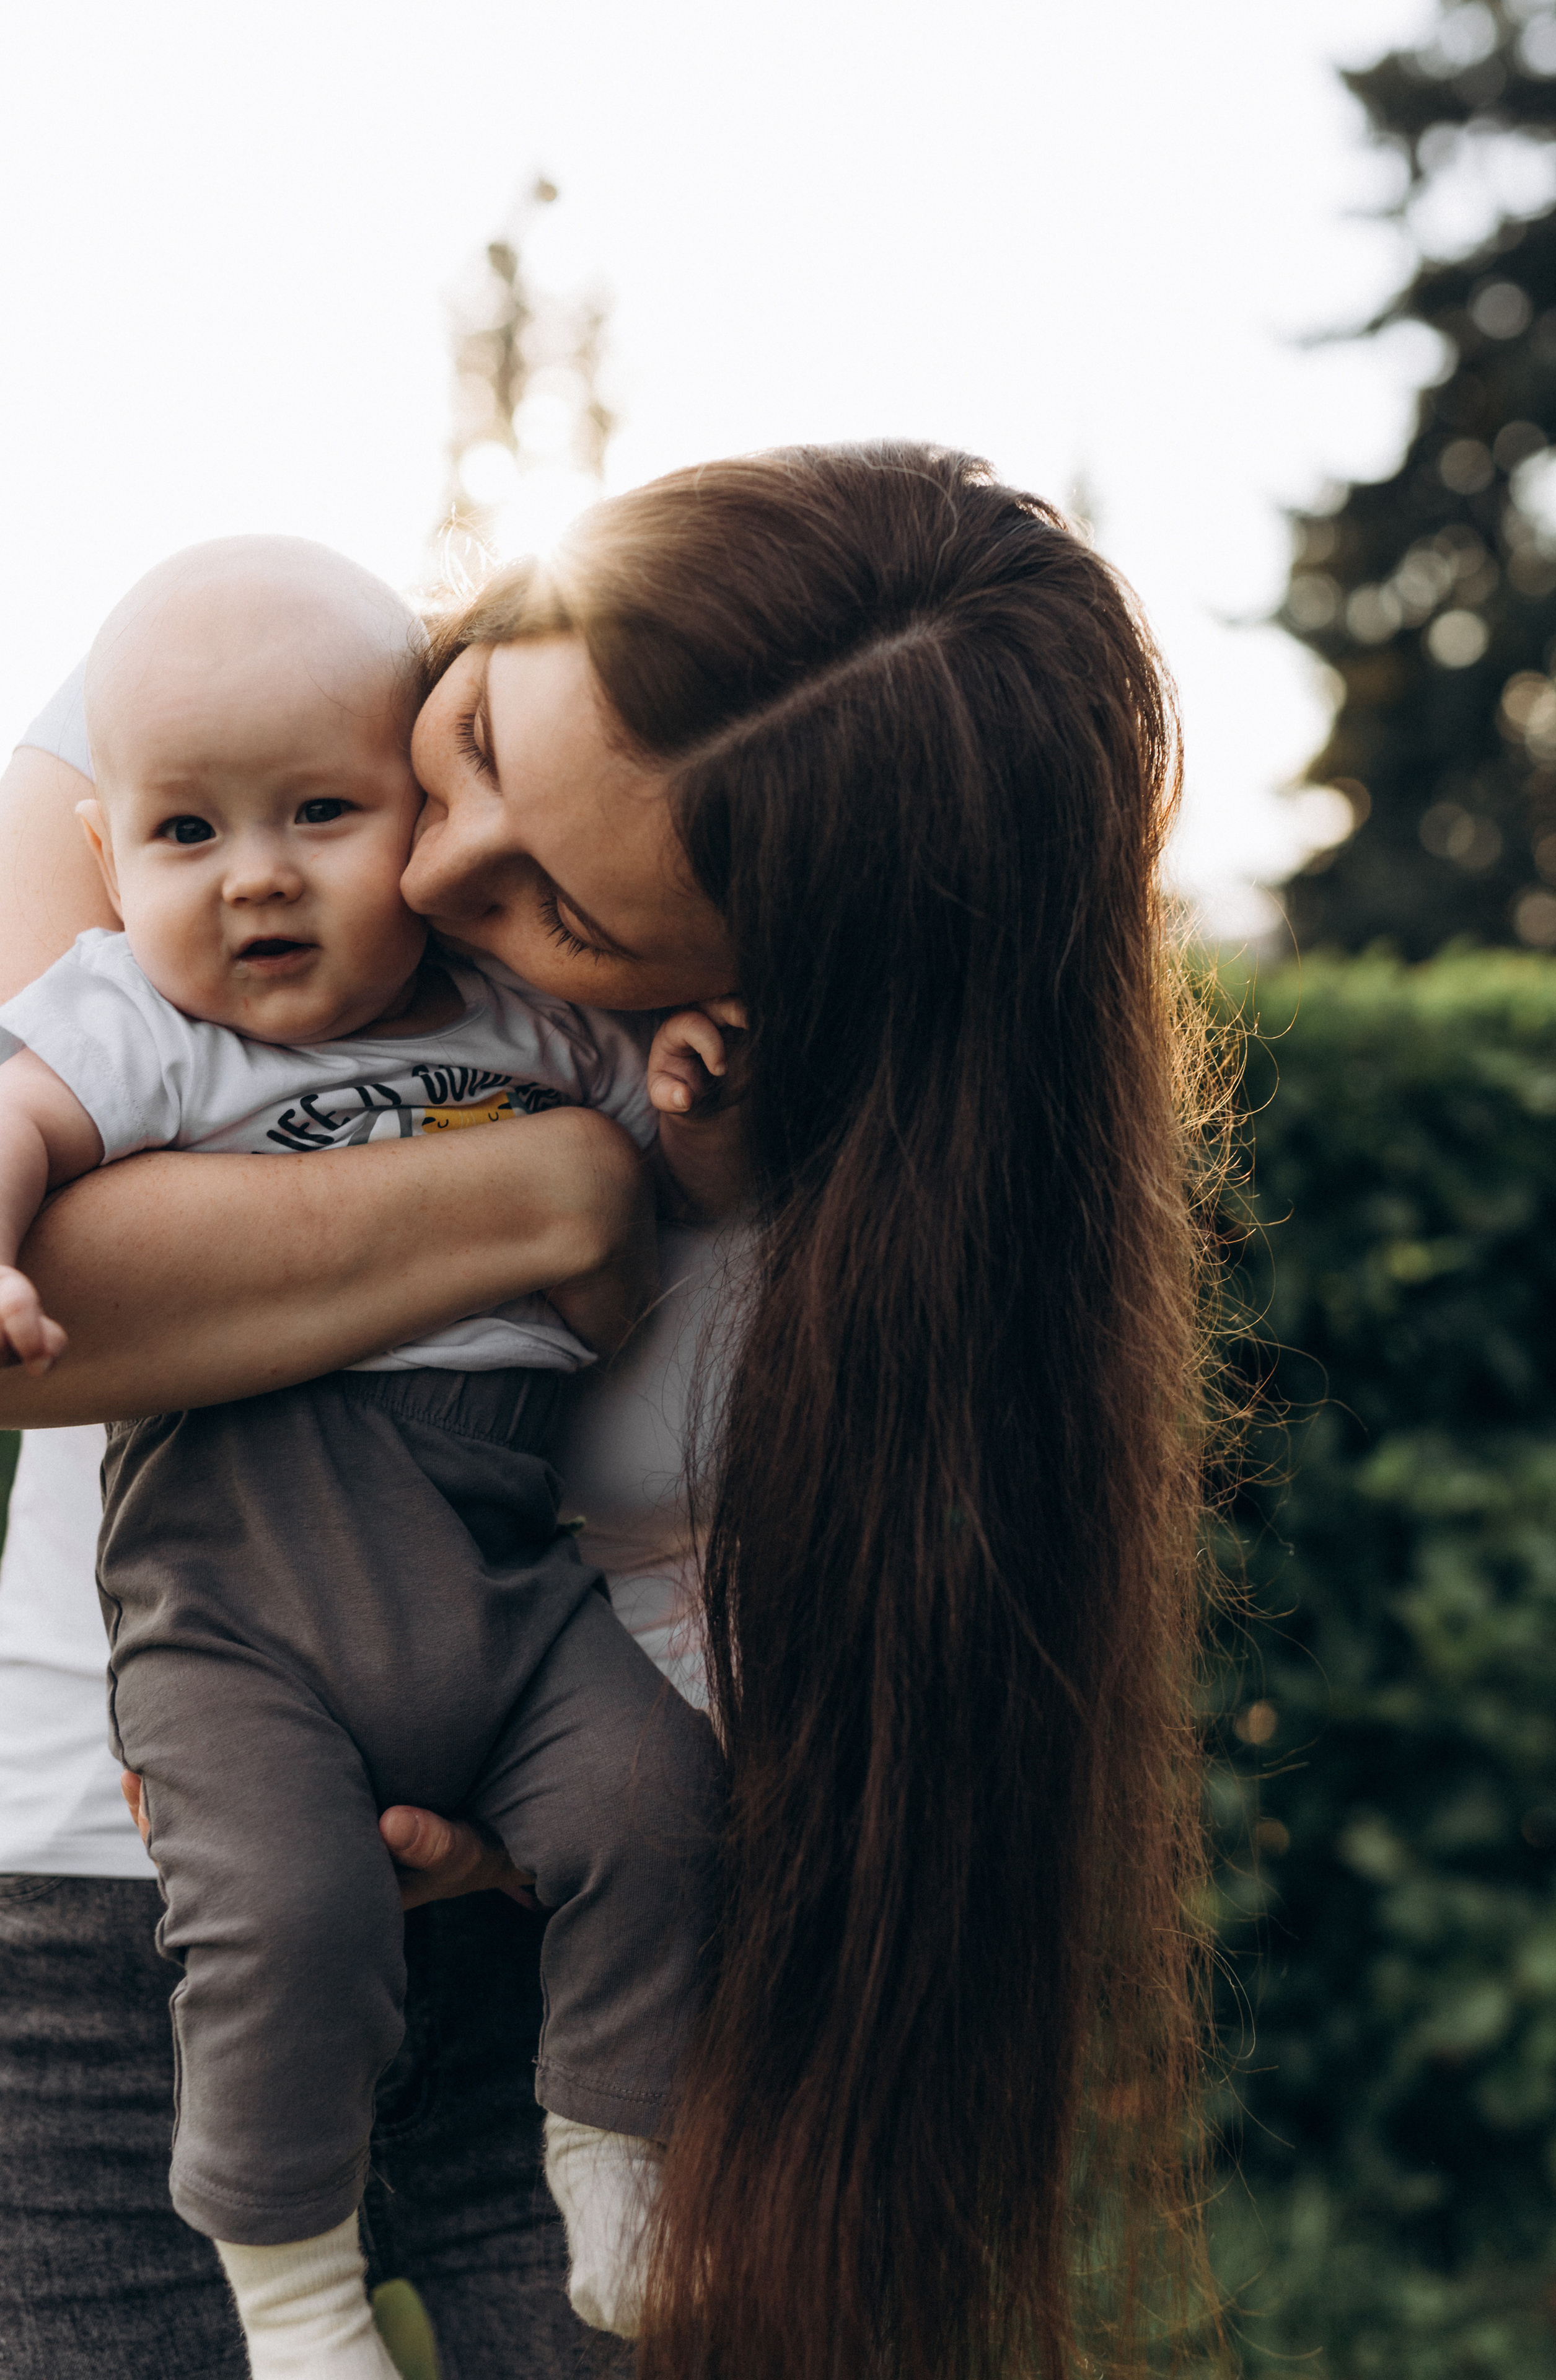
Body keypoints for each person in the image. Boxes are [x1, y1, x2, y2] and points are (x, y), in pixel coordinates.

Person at [0, 440, 1216, 2380]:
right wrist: (548, 1192)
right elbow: (57, 1291)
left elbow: (819, 1601)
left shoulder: (859, 1157)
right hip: (106, 1896)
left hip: (571, 1937)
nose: (409, 862)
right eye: (466, 736)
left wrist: (596, 1783)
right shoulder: (241, 695)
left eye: (559, 905)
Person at [0, 536, 739, 2375]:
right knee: (289, 1903)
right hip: (189, 1699)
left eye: (328, 813)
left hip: (500, 1608)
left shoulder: (532, 1015)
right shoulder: (137, 1010)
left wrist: (689, 1135)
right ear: (117, 852)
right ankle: (299, 2299)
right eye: (188, 836)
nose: (256, 872)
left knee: (658, 1800)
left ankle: (615, 2138)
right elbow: (26, 1131)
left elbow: (676, 1260)